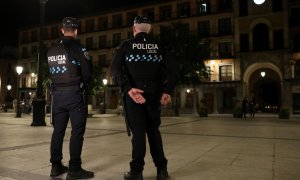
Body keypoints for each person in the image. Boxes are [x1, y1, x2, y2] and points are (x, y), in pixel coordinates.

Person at [110, 16, 176, 180]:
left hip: (134, 95)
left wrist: (129, 88)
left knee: (138, 133)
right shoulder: (160, 46)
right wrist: (167, 90)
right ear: (150, 29)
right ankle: (162, 170)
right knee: (154, 131)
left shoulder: (125, 46)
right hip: (154, 94)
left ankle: (136, 172)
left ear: (134, 29)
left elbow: (114, 70)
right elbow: (174, 71)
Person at [47, 17, 94, 180]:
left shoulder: (51, 49)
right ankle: (74, 169)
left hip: (57, 96)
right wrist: (84, 83)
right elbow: (87, 73)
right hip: (74, 94)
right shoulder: (78, 48)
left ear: (62, 30)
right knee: (77, 131)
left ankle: (55, 166)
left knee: (58, 131)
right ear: (76, 31)